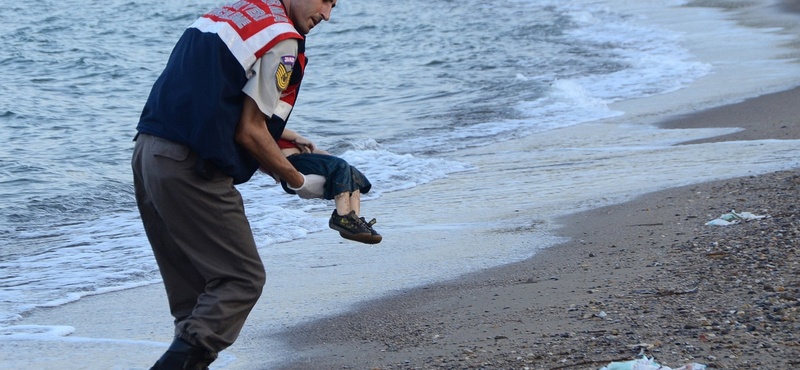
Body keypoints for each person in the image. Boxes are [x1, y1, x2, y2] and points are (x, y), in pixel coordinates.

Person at [130, 0, 338, 369]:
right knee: (240, 280)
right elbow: (249, 131)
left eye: (335, 4)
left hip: (149, 154)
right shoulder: (284, 40)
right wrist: (298, 181)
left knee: (195, 301)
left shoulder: (230, 13)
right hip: (190, 168)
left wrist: (284, 136)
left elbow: (213, 92)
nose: (327, 14)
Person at [273, 128, 381, 244]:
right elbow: (272, 127)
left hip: (304, 160)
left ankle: (354, 221)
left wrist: (345, 170)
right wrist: (296, 136)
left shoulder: (298, 144)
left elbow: (321, 155)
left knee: (350, 171)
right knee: (341, 165)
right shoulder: (271, 130)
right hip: (291, 162)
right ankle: (342, 217)